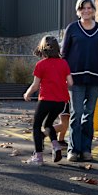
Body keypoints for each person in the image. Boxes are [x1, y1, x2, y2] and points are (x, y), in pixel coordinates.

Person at [61, 0, 98, 162]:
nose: (86, 11)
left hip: (96, 78)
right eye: (83, 8)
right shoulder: (72, 28)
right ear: (78, 11)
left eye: (89, 7)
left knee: (89, 114)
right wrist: (66, 77)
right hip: (75, 79)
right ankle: (73, 149)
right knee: (77, 113)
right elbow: (64, 55)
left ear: (94, 10)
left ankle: (86, 149)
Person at [23, 36, 74, 166]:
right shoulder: (64, 63)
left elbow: (35, 85)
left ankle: (38, 156)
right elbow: (70, 82)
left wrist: (27, 93)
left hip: (46, 100)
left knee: (36, 125)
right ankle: (55, 145)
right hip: (61, 101)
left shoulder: (41, 64)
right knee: (48, 124)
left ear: (42, 48)